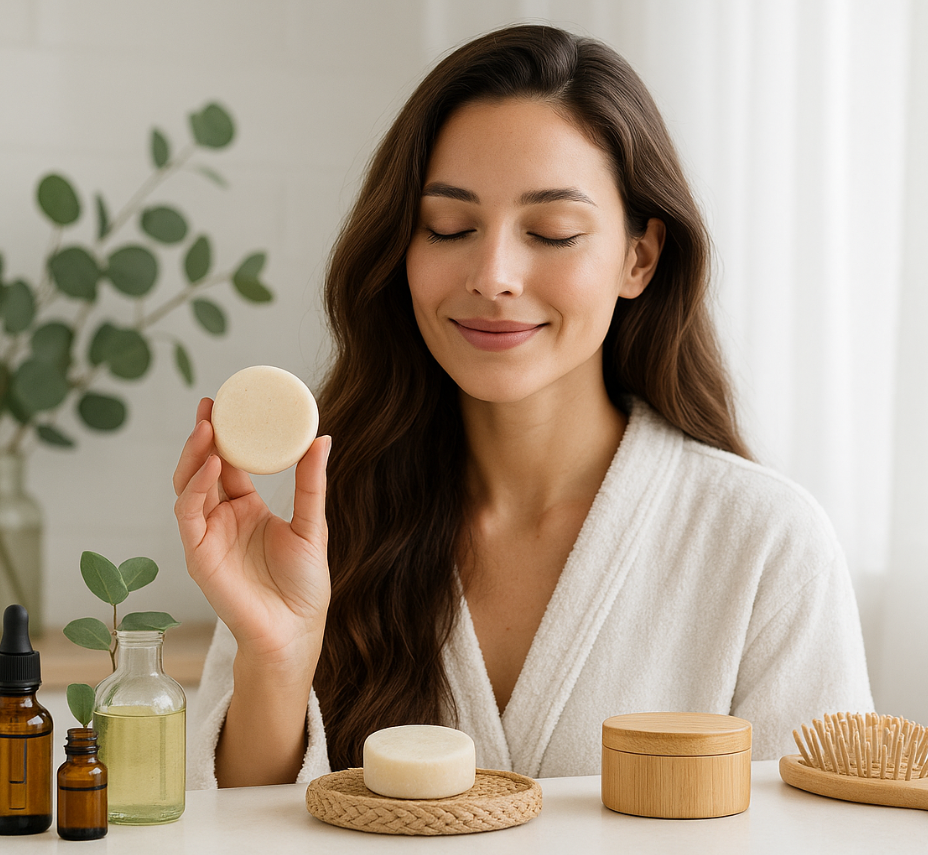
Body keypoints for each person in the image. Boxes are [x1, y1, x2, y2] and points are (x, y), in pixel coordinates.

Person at [174, 24, 873, 789]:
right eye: (450, 227)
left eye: (553, 231)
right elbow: (228, 830)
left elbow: (821, 827)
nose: (495, 273)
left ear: (639, 257)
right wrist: (276, 656)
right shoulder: (320, 531)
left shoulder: (768, 545)